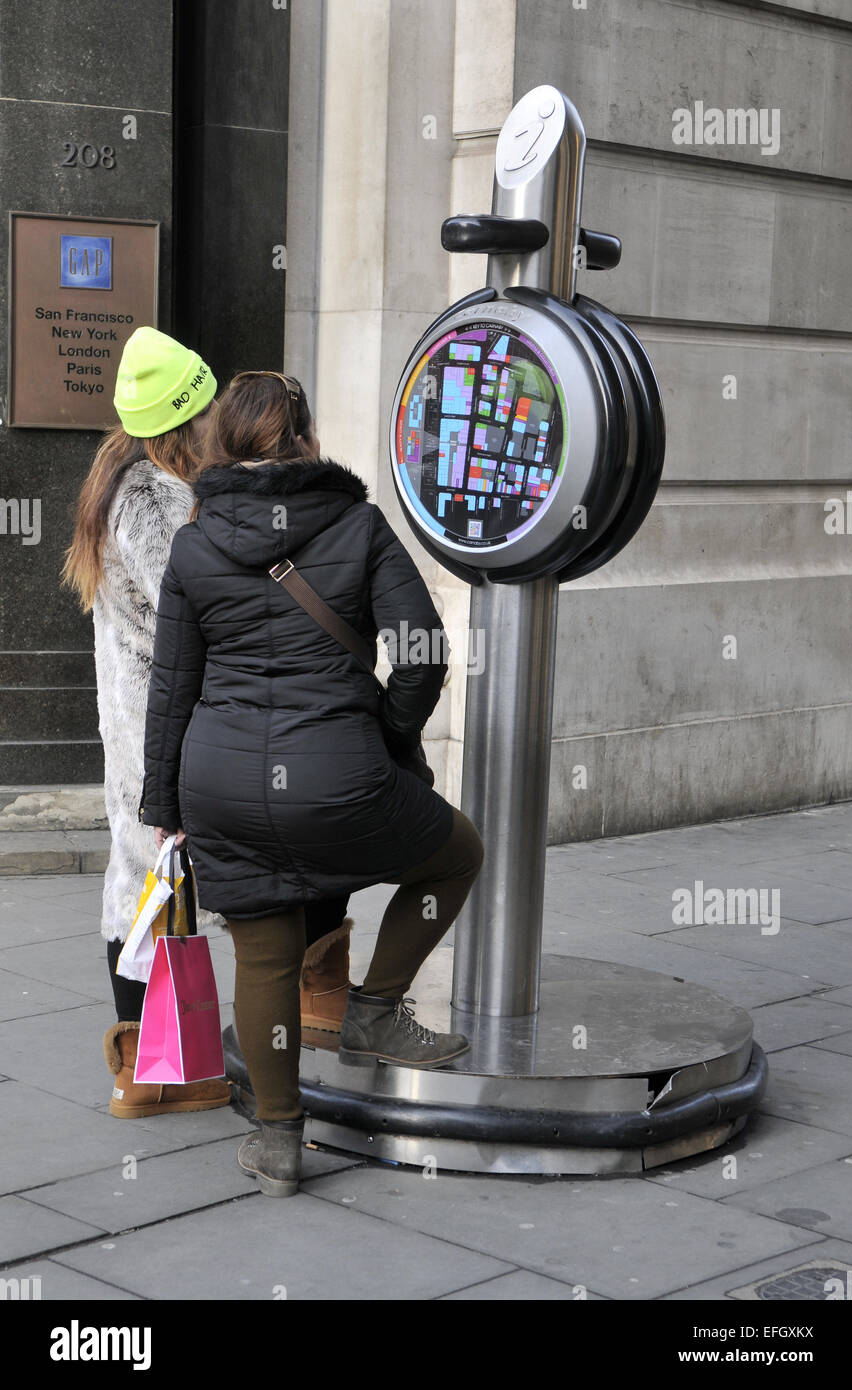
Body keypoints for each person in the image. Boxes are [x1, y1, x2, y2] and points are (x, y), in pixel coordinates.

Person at [140, 370, 484, 1195]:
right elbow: (423, 651)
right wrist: (388, 736)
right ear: (305, 438)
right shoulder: (358, 524)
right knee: (455, 856)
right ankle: (370, 1011)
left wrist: (163, 803)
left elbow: (172, 685)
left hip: (218, 778)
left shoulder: (194, 540)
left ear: (222, 441)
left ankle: (280, 1145)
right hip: (337, 773)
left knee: (262, 957)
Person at [63, 331, 352, 1120]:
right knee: (245, 860)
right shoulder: (148, 499)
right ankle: (291, 1013)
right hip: (179, 723)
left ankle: (153, 1069)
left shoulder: (125, 481)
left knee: (149, 883)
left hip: (149, 725)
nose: (215, 423)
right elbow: (200, 604)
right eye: (204, 410)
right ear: (179, 423)